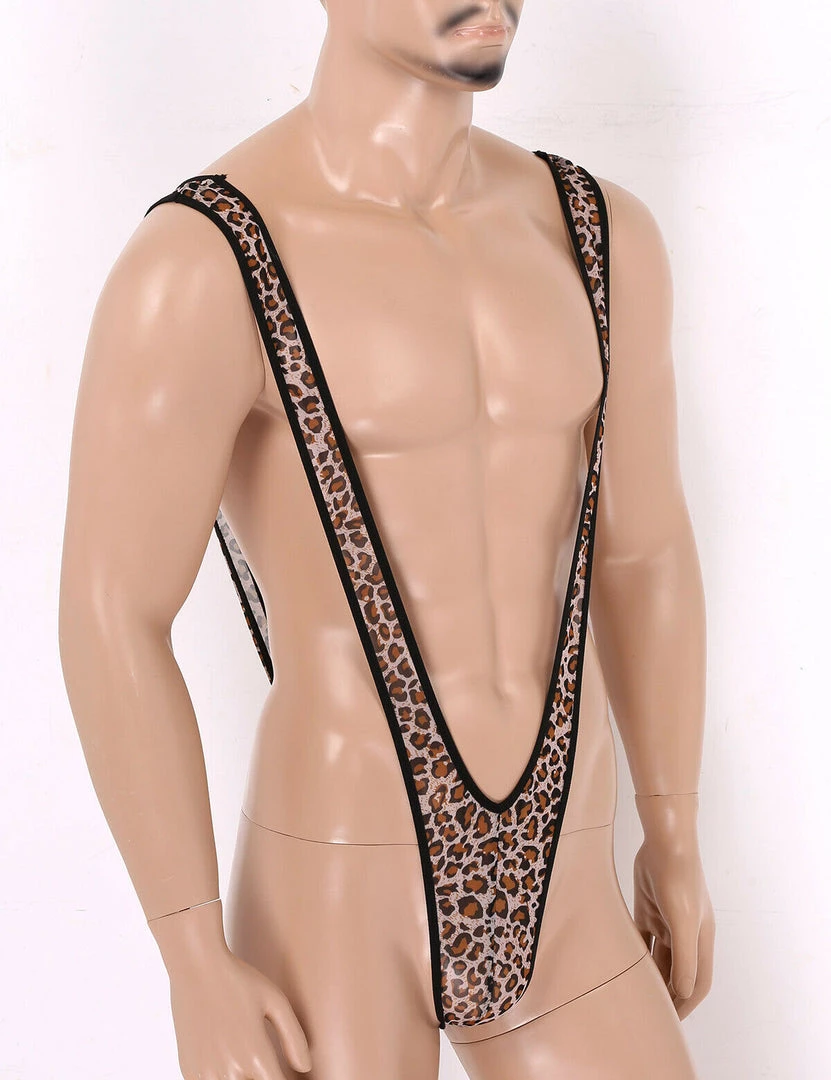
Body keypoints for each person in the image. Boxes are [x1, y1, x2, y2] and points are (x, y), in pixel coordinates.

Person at [59, 1, 714, 1076]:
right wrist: (190, 955)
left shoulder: (600, 237)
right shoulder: (206, 261)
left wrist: (674, 829)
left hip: (567, 872)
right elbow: (111, 613)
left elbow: (644, 553)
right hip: (335, 875)